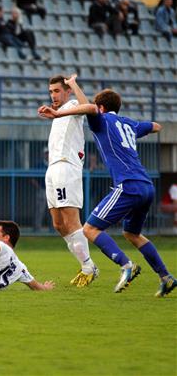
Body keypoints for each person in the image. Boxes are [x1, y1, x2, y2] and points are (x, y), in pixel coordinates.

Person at [38, 88, 176, 297]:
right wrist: (136, 131)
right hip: (146, 186)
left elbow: (90, 108)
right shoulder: (130, 124)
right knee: (132, 234)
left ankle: (126, 265)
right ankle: (166, 277)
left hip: (127, 185)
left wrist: (57, 114)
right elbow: (157, 126)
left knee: (90, 229)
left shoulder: (101, 120)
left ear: (101, 108)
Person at [44, 74, 98, 287]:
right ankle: (87, 265)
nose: (53, 95)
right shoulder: (59, 113)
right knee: (58, 224)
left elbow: (89, 107)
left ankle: (88, 267)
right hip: (53, 169)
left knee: (71, 220)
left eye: (57, 91)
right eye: (51, 92)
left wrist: (73, 83)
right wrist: (55, 114)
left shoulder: (74, 105)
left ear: (66, 92)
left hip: (67, 167)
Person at [30, 147, 49, 232]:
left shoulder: (53, 164)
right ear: (43, 154)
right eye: (46, 153)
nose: (48, 155)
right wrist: (38, 187)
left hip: (52, 191)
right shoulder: (39, 165)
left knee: (53, 211)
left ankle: (53, 229)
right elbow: (32, 177)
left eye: (49, 153)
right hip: (42, 190)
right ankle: (37, 228)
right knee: (39, 210)